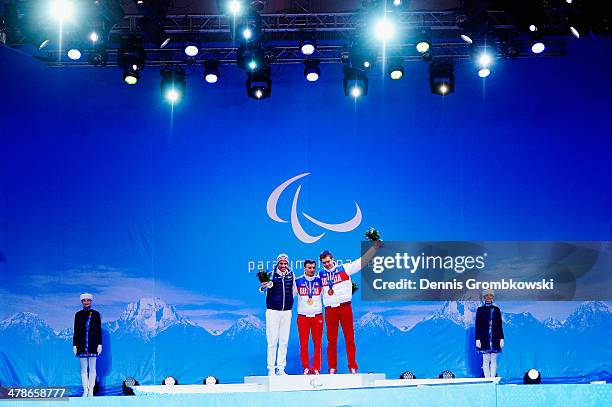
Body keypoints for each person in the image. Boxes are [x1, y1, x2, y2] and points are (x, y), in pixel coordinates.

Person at [319, 240, 381, 374]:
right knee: (331, 341)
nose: (327, 264)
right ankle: (332, 368)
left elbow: (361, 262)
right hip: (330, 310)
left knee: (350, 339)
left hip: (345, 307)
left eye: (328, 261)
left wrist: (374, 249)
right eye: (324, 263)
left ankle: (353, 367)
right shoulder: (320, 275)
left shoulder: (344, 268)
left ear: (333, 259)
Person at [259, 253, 295, 376]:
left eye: (285, 263)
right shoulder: (271, 275)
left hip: (287, 312)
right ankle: (271, 369)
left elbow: (293, 290)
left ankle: (280, 368)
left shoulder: (291, 275)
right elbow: (263, 288)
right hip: (273, 311)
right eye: (281, 263)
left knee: (284, 341)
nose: (283, 265)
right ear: (277, 263)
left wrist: (291, 301)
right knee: (272, 340)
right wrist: (263, 287)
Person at [294, 259, 324, 375]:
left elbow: (328, 294)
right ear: (304, 268)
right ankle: (306, 367)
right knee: (304, 343)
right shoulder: (297, 282)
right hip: (303, 316)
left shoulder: (320, 281)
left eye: (313, 268)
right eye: (309, 268)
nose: (312, 270)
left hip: (317, 316)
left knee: (318, 343)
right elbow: (289, 294)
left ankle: (316, 367)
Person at [72, 293, 102, 397]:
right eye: (84, 300)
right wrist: (74, 345)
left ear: (91, 301)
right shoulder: (78, 314)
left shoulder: (96, 314)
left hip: (93, 345)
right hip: (81, 345)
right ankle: (85, 390)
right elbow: (76, 331)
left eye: (88, 300)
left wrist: (99, 344)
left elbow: (98, 331)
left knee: (93, 369)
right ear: (81, 302)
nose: (86, 302)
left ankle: (91, 390)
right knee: (83, 369)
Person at [475, 289, 505, 378]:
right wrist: (477, 338)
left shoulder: (496, 310)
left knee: (494, 359)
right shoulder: (480, 309)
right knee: (485, 359)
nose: (488, 297)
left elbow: (500, 325)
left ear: (493, 297)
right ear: (484, 297)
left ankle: (493, 379)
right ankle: (487, 379)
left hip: (495, 338)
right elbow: (478, 325)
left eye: (490, 295)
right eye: (486, 295)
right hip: (484, 338)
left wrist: (502, 338)